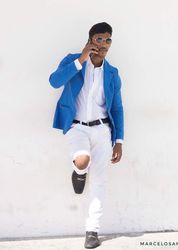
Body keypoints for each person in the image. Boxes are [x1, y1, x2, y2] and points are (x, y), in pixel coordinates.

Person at [49, 22, 124, 249]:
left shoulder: (112, 73)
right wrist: (80, 60)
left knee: (100, 180)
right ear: (91, 39)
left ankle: (92, 230)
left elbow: (117, 108)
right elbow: (54, 81)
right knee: (82, 159)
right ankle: (79, 171)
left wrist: (118, 140)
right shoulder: (73, 60)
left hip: (102, 130)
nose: (103, 44)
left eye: (108, 40)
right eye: (99, 39)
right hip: (77, 127)